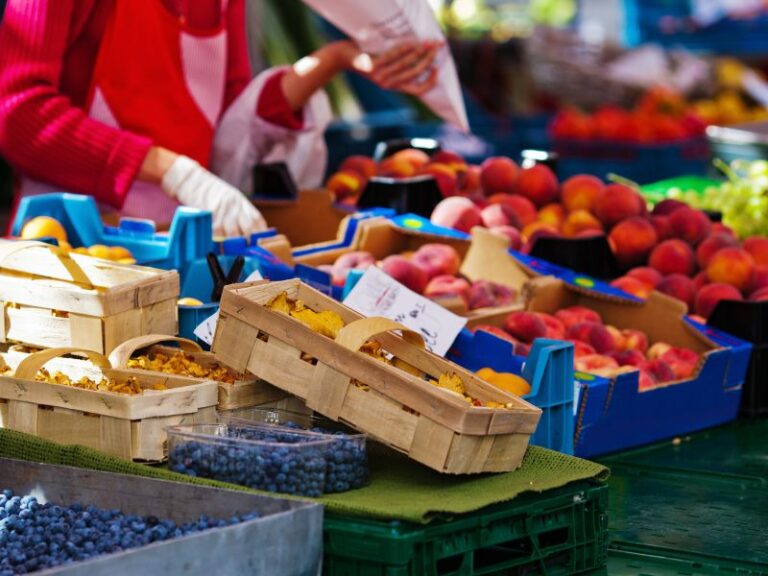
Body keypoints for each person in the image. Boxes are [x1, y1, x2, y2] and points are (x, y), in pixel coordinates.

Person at [0, 0, 440, 237]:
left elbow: (233, 126)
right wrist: (174, 171)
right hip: (70, 256)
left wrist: (335, 59)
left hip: (179, 256)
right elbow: (17, 113)